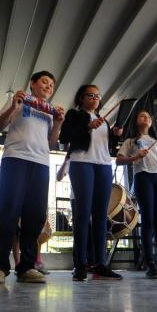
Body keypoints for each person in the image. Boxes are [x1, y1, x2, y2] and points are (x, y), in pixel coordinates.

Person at [0, 71, 64, 284]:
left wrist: (58, 122)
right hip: (15, 159)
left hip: (40, 164)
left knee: (35, 216)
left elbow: (51, 144)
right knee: (9, 213)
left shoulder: (49, 112)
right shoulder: (18, 101)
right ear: (32, 84)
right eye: (44, 82)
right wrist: (14, 106)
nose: (48, 87)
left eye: (51, 85)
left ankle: (27, 267)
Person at [59, 84, 123, 281]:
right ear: (81, 98)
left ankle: (100, 264)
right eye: (90, 95)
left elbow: (107, 146)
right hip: (82, 163)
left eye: (97, 95)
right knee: (83, 214)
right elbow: (64, 137)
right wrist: (87, 127)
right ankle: (80, 264)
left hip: (104, 165)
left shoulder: (104, 121)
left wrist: (116, 136)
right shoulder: (74, 114)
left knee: (101, 216)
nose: (95, 98)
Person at [116, 110, 157, 279]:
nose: (146, 118)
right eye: (142, 116)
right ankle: (150, 264)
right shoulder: (131, 141)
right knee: (148, 220)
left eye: (149, 116)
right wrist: (134, 157)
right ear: (136, 121)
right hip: (142, 177)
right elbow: (119, 160)